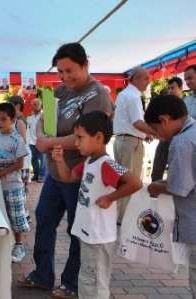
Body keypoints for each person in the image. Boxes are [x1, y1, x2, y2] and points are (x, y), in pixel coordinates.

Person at [18, 42, 112, 299]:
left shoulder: (98, 94)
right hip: (55, 172)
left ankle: (71, 283)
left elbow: (93, 136)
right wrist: (41, 137)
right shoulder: (59, 91)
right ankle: (42, 275)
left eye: (70, 70)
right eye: (60, 71)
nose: (65, 77)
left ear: (85, 65)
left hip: (79, 173)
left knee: (76, 228)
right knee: (44, 219)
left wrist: (50, 142)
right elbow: (42, 123)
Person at [51, 111, 142, 299]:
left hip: (98, 236)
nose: (76, 143)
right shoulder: (89, 161)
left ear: (99, 137)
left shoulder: (106, 164)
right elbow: (68, 177)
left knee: (93, 281)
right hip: (89, 233)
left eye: (80, 138)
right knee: (88, 278)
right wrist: (59, 161)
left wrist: (110, 198)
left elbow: (136, 183)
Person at [145, 94, 196, 297]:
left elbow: (179, 187)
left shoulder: (182, 142)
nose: (158, 135)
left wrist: (157, 187)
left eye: (156, 129)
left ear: (165, 119)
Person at [0, 103, 30, 262]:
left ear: (12, 120)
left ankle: (19, 245)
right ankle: (6, 244)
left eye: (3, 119)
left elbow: (20, 164)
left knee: (17, 216)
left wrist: (3, 172)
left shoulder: (16, 139)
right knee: (2, 214)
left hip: (13, 185)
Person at [113, 66, 155, 224]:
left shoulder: (124, 94)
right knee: (132, 181)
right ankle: (126, 219)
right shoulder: (133, 96)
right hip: (130, 143)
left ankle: (120, 216)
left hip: (122, 141)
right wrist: (157, 132)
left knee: (122, 180)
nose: (148, 82)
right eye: (145, 78)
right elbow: (137, 122)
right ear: (135, 79)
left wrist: (146, 134)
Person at [151, 77, 183, 181]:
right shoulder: (164, 105)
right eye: (169, 88)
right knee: (157, 168)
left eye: (172, 88)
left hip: (180, 142)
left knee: (176, 171)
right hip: (164, 141)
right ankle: (154, 191)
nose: (170, 91)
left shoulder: (187, 104)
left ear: (180, 88)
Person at [28, 98, 46, 182]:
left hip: (41, 141)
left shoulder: (45, 115)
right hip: (32, 141)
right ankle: (36, 174)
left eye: (37, 104)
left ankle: (42, 176)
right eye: (34, 104)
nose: (35, 106)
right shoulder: (30, 117)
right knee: (33, 159)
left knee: (42, 159)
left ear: (40, 105)